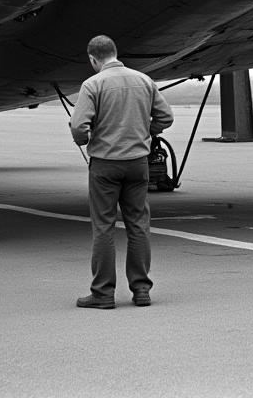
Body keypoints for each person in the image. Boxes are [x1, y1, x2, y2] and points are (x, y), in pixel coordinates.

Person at [69, 34, 174, 309]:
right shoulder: (143, 80)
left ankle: (103, 293)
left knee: (103, 227)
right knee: (138, 224)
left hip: (105, 163)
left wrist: (85, 139)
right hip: (138, 162)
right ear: (115, 53)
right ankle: (141, 290)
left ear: (93, 59)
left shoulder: (92, 84)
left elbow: (80, 127)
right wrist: (146, 132)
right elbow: (166, 117)